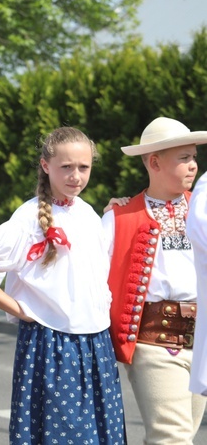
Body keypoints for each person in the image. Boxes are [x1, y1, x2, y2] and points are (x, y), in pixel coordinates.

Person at [0, 126, 125, 444]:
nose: (76, 176)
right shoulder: (28, 218)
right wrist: (18, 308)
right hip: (51, 344)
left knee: (101, 435)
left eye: (83, 167)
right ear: (46, 166)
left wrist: (118, 215)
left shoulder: (88, 214)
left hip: (96, 343)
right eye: (66, 167)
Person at [104, 117, 207, 443]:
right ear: (154, 161)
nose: (193, 166)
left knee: (184, 434)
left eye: (193, 157)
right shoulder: (119, 217)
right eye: (184, 158)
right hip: (154, 340)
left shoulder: (202, 209)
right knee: (171, 437)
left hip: (201, 340)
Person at [187, 171, 207, 397]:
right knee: (174, 432)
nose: (192, 165)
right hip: (156, 335)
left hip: (193, 329)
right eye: (184, 157)